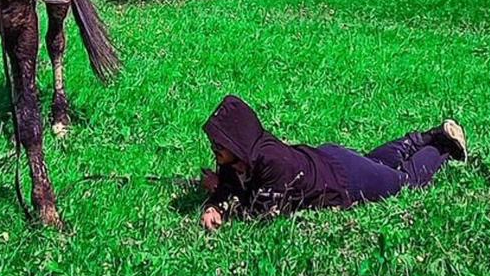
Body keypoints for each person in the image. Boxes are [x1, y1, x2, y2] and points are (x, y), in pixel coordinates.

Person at [200, 95, 467, 231]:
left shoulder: (272, 161)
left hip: (343, 180)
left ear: (236, 143)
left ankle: (442, 145)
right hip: (330, 158)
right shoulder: (239, 154)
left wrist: (223, 200)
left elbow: (263, 215)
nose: (216, 152)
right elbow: (229, 184)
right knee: (375, 163)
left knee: (406, 182)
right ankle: (422, 137)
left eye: (219, 146)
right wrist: (215, 205)